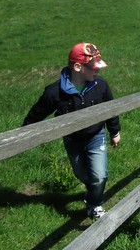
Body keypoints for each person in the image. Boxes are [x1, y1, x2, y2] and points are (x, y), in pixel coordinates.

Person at [23, 42, 121, 218]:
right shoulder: (55, 92)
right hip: (72, 140)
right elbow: (37, 113)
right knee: (84, 175)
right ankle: (93, 190)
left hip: (96, 135)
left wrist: (114, 131)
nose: (97, 71)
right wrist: (23, 134)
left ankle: (93, 205)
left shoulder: (100, 85)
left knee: (99, 176)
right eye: (93, 68)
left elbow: (111, 109)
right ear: (77, 67)